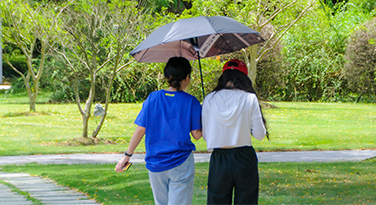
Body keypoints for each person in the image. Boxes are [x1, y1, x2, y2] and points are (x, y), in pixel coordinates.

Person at [115, 56, 202, 205]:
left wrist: (127, 155)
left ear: (167, 77)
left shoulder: (152, 98)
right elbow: (197, 135)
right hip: (181, 162)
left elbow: (141, 129)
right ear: (187, 77)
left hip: (156, 163)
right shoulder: (191, 101)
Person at [202, 59, 268, 205]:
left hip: (219, 158)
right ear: (244, 77)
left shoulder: (209, 99)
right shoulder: (250, 98)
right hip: (244, 158)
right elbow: (259, 134)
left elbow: (207, 136)